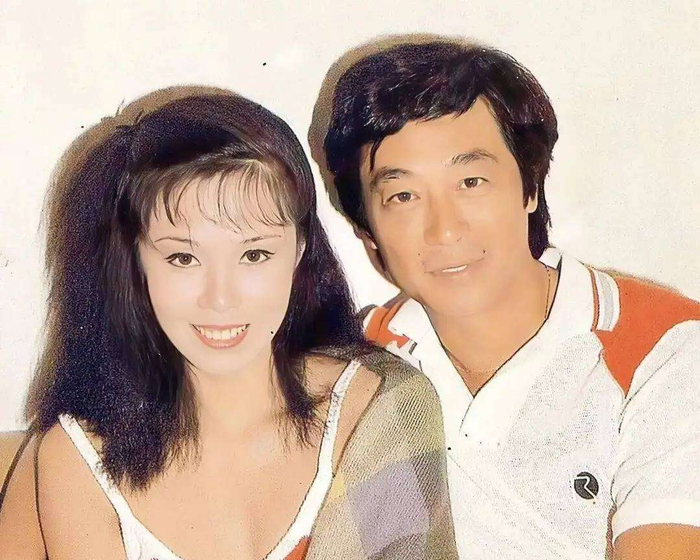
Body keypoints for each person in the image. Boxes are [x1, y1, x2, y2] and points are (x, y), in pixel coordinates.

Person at [0, 90, 457, 559]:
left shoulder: (382, 408)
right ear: (135, 264)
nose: (220, 298)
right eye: (183, 258)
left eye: (254, 254)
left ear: (299, 252)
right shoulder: (79, 458)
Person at [322, 39, 700, 559]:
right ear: (367, 231)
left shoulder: (665, 349)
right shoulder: (348, 373)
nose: (444, 229)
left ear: (530, 188)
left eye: (470, 181)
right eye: (403, 196)